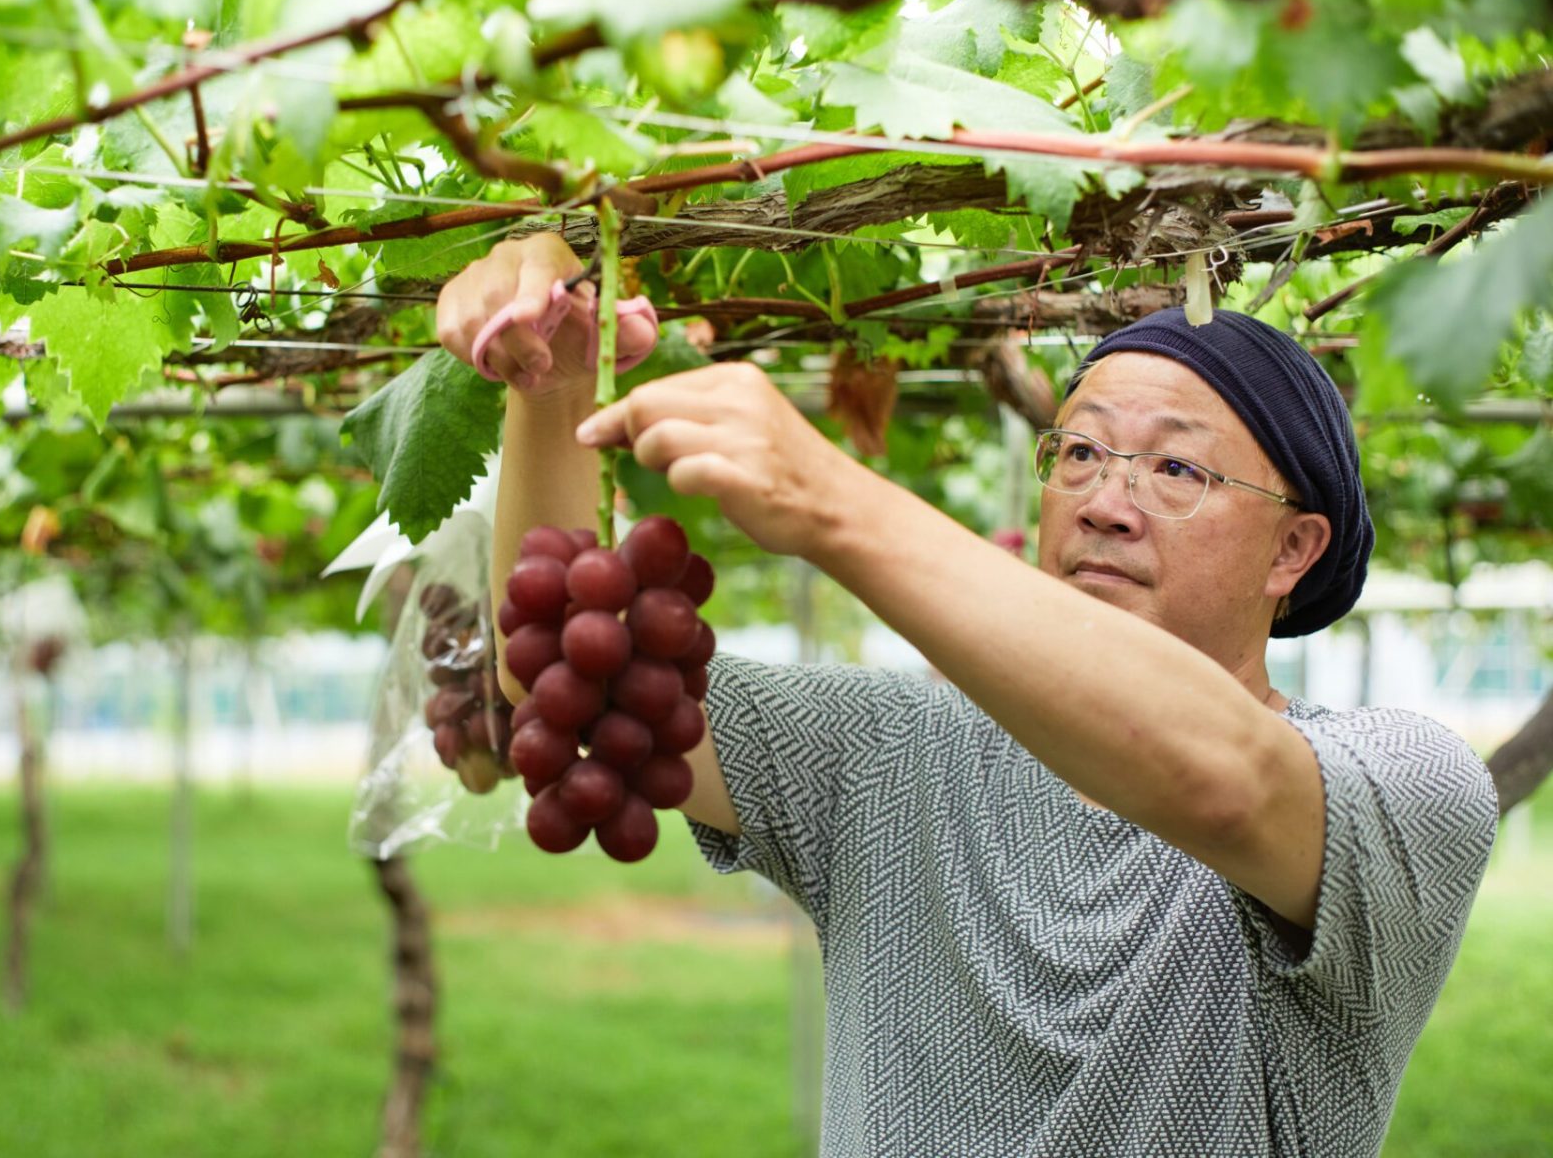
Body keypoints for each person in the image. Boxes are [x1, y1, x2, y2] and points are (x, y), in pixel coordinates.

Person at [436, 233, 1499, 1157]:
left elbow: (1222, 782)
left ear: (1295, 549)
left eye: (1176, 471)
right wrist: (552, 390)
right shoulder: (894, 748)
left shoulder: (1407, 788)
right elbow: (576, 677)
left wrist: (833, 505)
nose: (1104, 504)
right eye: (1077, 452)